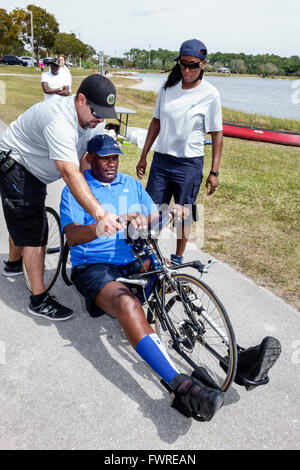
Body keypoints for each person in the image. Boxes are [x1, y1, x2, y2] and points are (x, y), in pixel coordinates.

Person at [60, 134, 281, 421]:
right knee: (128, 305)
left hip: (134, 257)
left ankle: (237, 358)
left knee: (173, 279)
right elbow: (72, 235)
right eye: (104, 158)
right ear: (90, 159)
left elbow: (152, 218)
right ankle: (181, 386)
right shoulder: (77, 189)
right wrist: (99, 226)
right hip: (95, 266)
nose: (111, 163)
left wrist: (169, 212)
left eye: (115, 157)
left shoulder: (129, 184)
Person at [0, 74, 122, 322]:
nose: (99, 119)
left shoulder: (92, 120)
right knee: (35, 232)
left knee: (23, 218)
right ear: (80, 99)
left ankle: (13, 263)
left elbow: (84, 161)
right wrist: (100, 214)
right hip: (17, 163)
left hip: (36, 168)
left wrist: (97, 196)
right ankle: (38, 301)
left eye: (104, 114)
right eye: (96, 112)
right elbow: (69, 171)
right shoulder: (59, 120)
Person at [136, 39, 223, 265]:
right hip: (162, 162)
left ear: (203, 64)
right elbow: (155, 123)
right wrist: (144, 155)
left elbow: (216, 134)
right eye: (183, 64)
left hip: (189, 164)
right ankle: (150, 258)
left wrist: (214, 172)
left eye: (193, 65)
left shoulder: (210, 94)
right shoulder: (167, 88)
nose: (187, 70)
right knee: (152, 211)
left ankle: (176, 259)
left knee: (185, 215)